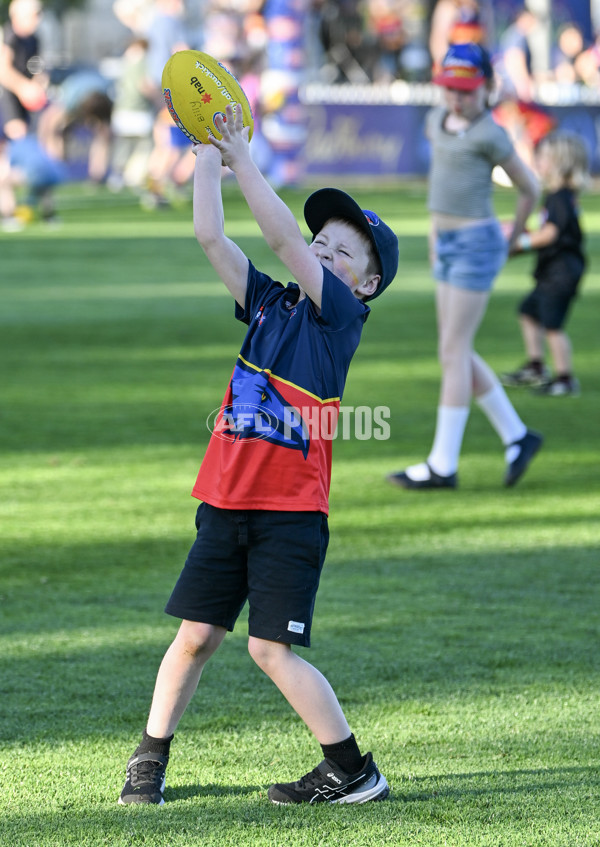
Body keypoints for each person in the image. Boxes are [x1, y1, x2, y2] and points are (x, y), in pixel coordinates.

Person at [118, 102, 399, 806]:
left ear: (363, 284)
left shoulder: (341, 319)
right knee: (195, 637)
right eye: (323, 239)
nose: (326, 249)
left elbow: (281, 243)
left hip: (289, 514)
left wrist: (244, 157)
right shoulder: (271, 304)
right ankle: (149, 758)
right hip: (226, 501)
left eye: (344, 251)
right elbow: (210, 235)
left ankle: (352, 770)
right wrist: (206, 154)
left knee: (269, 648)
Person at [387, 43, 541, 491]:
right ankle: (517, 436)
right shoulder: (436, 122)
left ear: (487, 88)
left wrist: (511, 239)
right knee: (455, 349)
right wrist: (436, 239)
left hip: (477, 245)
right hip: (448, 246)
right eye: (451, 89)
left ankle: (443, 464)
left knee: (453, 351)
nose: (458, 98)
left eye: (467, 91)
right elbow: (441, 187)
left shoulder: (491, 134)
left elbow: (529, 188)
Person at [500, 131, 588, 397]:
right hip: (553, 272)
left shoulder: (559, 197)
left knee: (552, 325)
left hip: (561, 274)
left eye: (544, 158)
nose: (538, 162)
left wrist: (519, 244)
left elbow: (550, 234)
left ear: (560, 163)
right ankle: (536, 366)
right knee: (528, 312)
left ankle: (565, 378)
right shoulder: (559, 196)